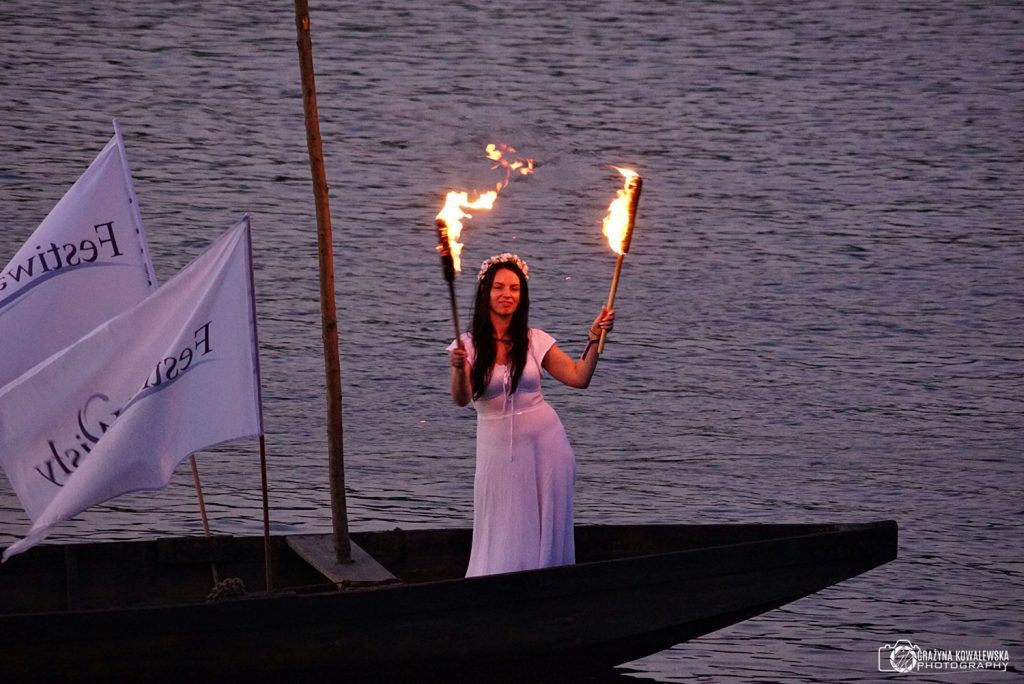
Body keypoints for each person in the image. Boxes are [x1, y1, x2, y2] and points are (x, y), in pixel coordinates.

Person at [448, 253, 614, 577]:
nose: (507, 294)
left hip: (548, 449)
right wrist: (457, 368)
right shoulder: (467, 345)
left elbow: (579, 377)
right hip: (498, 454)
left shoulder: (534, 340)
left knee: (543, 530)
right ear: (485, 292)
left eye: (514, 288)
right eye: (499, 287)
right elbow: (460, 398)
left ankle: (547, 587)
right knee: (503, 523)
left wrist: (595, 338)